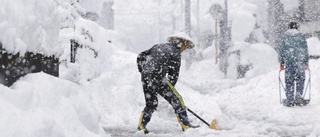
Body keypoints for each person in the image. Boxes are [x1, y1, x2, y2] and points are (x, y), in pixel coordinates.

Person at [136, 32, 199, 134]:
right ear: (181, 43)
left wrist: (143, 70)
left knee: (151, 103)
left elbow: (140, 56)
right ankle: (186, 125)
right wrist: (169, 91)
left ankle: (141, 125)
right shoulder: (175, 53)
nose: (184, 50)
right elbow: (173, 75)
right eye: (185, 47)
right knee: (177, 99)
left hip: (146, 77)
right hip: (158, 77)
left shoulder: (158, 46)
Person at [278, 22, 309, 107]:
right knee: (300, 80)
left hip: (289, 62)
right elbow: (305, 49)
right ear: (297, 27)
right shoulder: (301, 36)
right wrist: (306, 62)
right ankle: (299, 98)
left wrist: (281, 62)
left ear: (289, 27)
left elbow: (281, 50)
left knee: (289, 81)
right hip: (300, 62)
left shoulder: (285, 37)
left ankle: (290, 100)